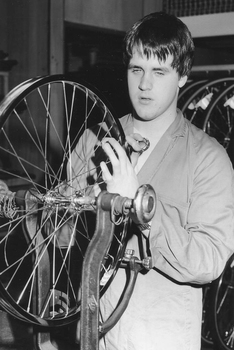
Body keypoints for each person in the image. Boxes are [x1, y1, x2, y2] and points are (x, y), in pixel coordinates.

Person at [95, 11, 234, 350]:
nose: (144, 84)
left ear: (183, 75)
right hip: (98, 334)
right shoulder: (97, 140)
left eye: (159, 71)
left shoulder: (209, 158)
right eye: (136, 69)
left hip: (164, 339)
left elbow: (209, 261)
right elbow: (62, 238)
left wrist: (141, 207)